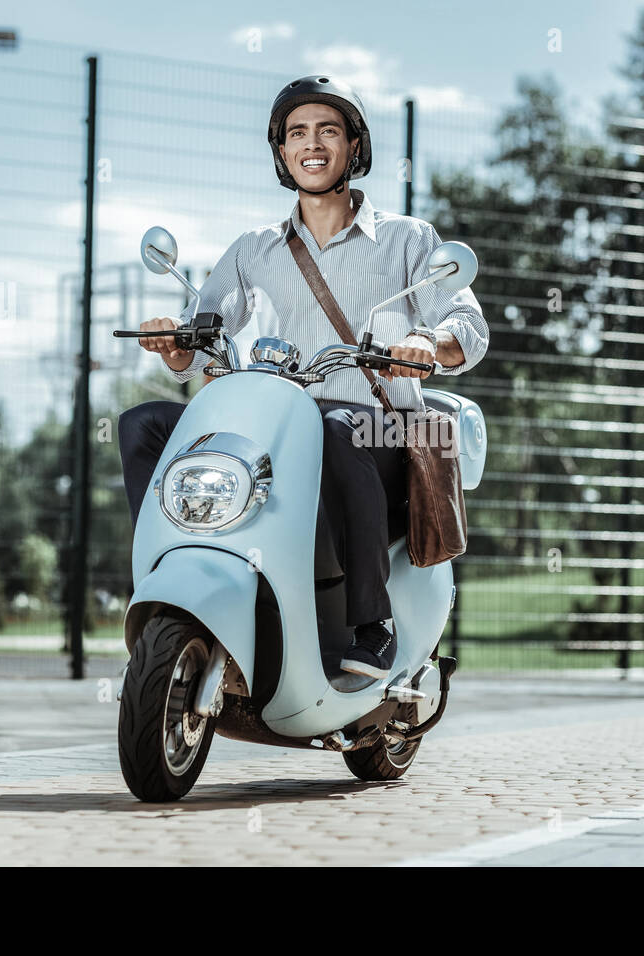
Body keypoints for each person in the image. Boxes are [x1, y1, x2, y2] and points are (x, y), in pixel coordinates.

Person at [118, 75, 488, 680]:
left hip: (377, 434)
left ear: (354, 147)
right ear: (282, 152)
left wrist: (425, 341)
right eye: (296, 133)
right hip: (280, 434)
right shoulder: (253, 250)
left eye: (327, 130)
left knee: (336, 424)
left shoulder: (408, 240)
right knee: (143, 426)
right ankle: (166, 577)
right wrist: (176, 341)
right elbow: (204, 327)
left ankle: (374, 624)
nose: (311, 144)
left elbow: (466, 324)